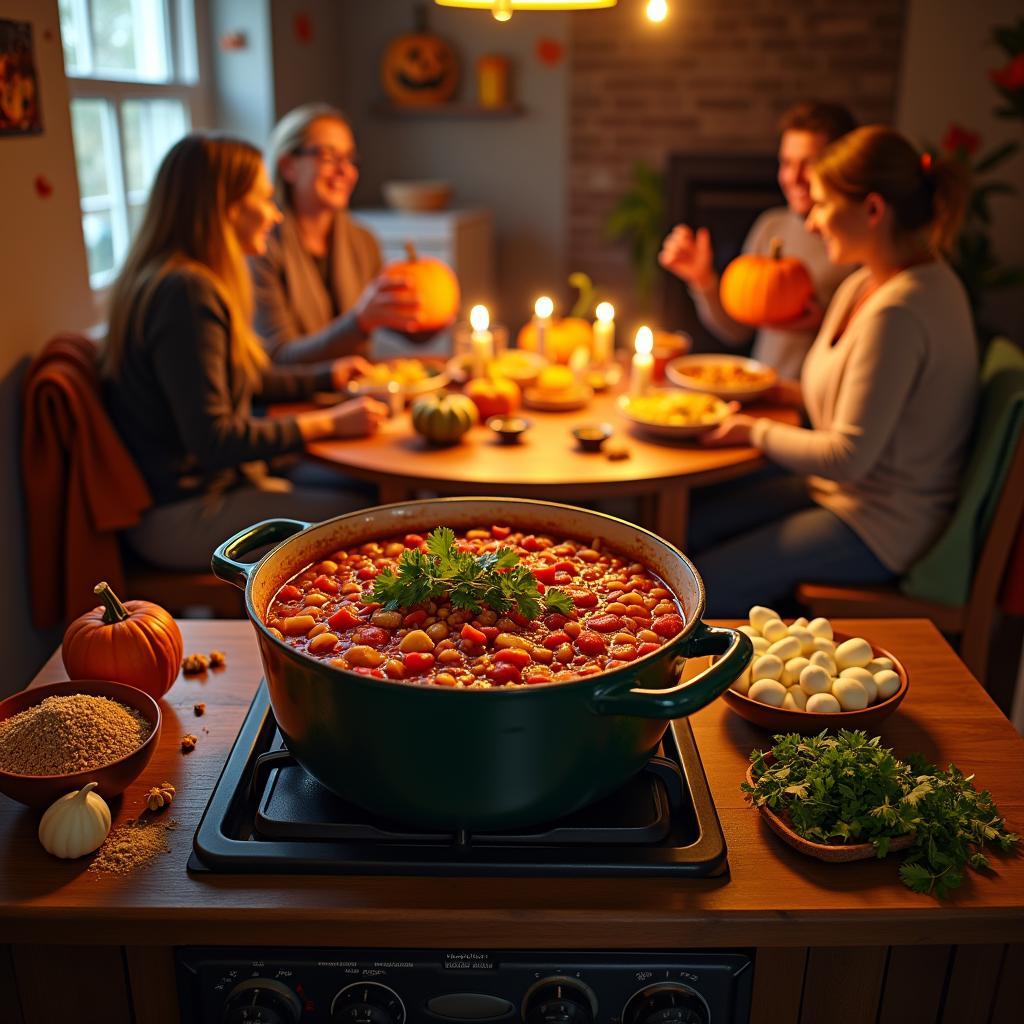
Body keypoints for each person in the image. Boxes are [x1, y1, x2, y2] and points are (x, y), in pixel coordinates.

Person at [687, 125, 976, 617]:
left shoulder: (901, 311)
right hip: (839, 494)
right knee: (686, 527)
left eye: (821, 205)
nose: (813, 223)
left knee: (701, 584)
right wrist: (771, 390)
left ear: (872, 210)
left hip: (878, 524)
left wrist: (753, 431)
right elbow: (847, 402)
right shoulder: (868, 281)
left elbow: (847, 455)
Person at [102, 132, 389, 571]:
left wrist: (326, 376)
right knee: (371, 521)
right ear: (224, 207)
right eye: (266, 199)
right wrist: (329, 421)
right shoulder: (186, 292)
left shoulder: (183, 279)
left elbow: (239, 377)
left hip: (212, 493)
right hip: (184, 513)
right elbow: (215, 438)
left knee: (366, 494)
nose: (275, 215)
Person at [659, 100, 858, 379]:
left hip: (812, 404)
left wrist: (824, 323)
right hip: (763, 388)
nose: (793, 177)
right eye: (786, 163)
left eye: (809, 164)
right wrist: (702, 280)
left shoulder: (856, 243)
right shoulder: (771, 226)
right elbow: (738, 330)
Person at [251, 103, 421, 364]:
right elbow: (280, 357)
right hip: (294, 400)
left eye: (350, 158)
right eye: (329, 157)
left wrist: (429, 311)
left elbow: (390, 320)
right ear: (288, 166)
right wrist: (360, 322)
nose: (346, 171)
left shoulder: (363, 241)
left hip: (358, 394)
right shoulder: (261, 248)